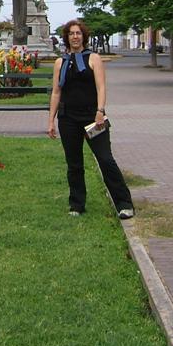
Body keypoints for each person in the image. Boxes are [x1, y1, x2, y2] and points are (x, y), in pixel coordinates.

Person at [48, 19, 134, 219]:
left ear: (83, 36)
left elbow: (101, 87)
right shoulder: (60, 62)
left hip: (93, 118)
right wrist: (51, 120)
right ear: (66, 37)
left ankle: (124, 204)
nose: (75, 37)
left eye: (78, 33)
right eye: (71, 34)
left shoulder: (93, 58)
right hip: (68, 118)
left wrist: (100, 110)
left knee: (105, 159)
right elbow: (55, 92)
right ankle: (77, 204)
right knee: (74, 163)